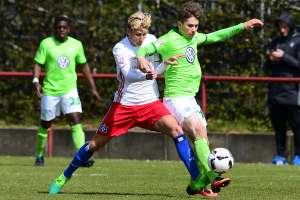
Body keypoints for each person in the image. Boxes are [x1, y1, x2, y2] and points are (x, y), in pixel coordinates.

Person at [48, 12, 227, 197]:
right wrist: (146, 75)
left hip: (151, 104)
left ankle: (197, 180)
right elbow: (127, 75)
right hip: (124, 106)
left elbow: (155, 71)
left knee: (177, 132)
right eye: (137, 35)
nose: (141, 38)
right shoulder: (120, 48)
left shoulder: (152, 41)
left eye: (143, 34)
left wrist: (164, 64)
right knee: (94, 144)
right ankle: (64, 176)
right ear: (128, 31)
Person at [136, 1, 264, 194]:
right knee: (197, 130)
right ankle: (214, 178)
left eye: (196, 26)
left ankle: (195, 185)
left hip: (190, 99)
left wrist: (242, 26)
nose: (193, 30)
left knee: (201, 138)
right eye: (190, 26)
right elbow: (145, 49)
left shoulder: (194, 38)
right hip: (176, 99)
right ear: (179, 24)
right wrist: (140, 57)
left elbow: (216, 35)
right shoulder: (169, 39)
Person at [33, 16, 101, 167]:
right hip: (50, 90)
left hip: (69, 89)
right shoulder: (46, 43)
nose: (61, 30)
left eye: (64, 27)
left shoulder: (76, 45)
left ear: (68, 29)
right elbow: (38, 64)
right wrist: (36, 81)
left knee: (75, 119)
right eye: (59, 28)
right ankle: (39, 156)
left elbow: (84, 67)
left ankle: (81, 157)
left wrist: (93, 89)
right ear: (55, 29)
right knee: (45, 124)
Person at [266, 13, 300, 166]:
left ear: (291, 26)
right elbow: (267, 67)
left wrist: (283, 56)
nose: (282, 29)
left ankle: (298, 156)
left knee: (297, 126)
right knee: (278, 125)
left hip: (293, 91)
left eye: (285, 26)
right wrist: (271, 60)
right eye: (280, 26)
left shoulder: (298, 41)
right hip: (276, 91)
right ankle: (281, 157)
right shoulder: (276, 42)